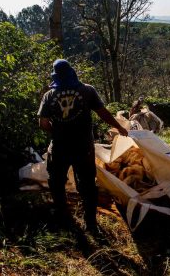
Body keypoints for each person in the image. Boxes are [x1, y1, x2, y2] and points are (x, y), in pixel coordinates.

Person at [38, 59, 128, 233]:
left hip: (59, 148)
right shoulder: (86, 90)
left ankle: (65, 220)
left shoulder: (49, 96)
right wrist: (119, 127)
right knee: (87, 183)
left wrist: (56, 134)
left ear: (55, 76)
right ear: (72, 72)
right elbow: (103, 113)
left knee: (56, 183)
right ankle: (91, 224)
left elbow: (42, 123)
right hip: (83, 147)